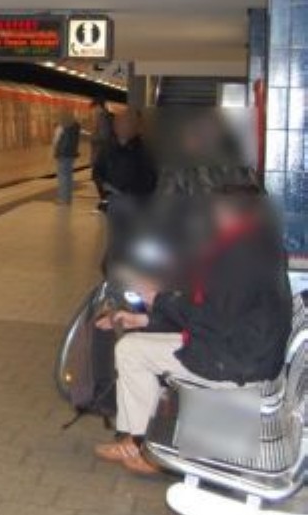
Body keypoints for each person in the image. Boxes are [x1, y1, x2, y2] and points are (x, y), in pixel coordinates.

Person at [92, 188, 293, 474]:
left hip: (235, 360)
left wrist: (157, 299)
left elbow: (211, 317)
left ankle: (142, 448)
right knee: (132, 347)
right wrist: (145, 321)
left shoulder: (241, 256)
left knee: (132, 352)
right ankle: (137, 441)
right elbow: (216, 313)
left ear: (227, 214)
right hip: (241, 348)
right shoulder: (254, 244)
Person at [52, 114, 80, 204]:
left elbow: (55, 140)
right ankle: (68, 197)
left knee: (62, 177)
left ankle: (63, 199)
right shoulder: (76, 126)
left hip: (62, 155)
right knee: (69, 176)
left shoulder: (61, 127)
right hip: (71, 154)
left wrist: (55, 150)